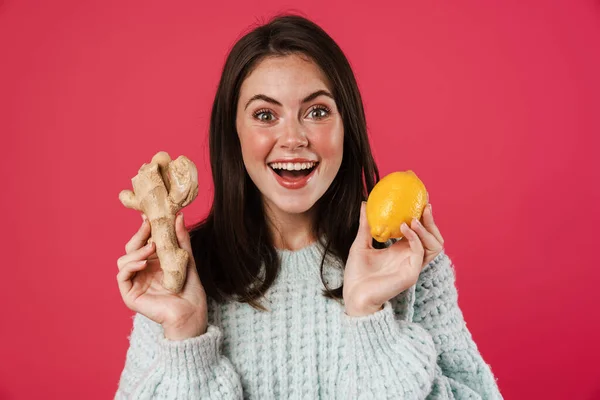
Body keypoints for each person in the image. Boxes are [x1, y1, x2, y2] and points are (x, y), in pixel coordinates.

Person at [115, 14, 502, 399]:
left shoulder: (408, 257)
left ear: (346, 125)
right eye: (265, 115)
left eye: (317, 112)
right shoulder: (179, 274)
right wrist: (185, 335)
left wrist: (370, 319)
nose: (293, 138)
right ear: (233, 134)